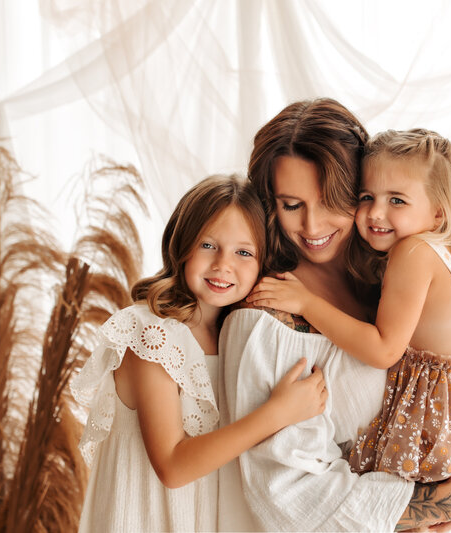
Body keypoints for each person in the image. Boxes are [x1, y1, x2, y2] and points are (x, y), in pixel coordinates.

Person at [218, 99, 451, 532]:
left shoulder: (391, 279)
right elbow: (288, 495)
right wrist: (445, 501)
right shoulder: (269, 318)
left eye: (332, 200)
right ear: (269, 206)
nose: (313, 226)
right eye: (292, 204)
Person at [71, 175, 328, 533]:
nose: (223, 264)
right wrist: (278, 412)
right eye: (208, 245)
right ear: (182, 245)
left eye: (243, 252)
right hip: (145, 519)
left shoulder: (236, 338)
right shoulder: (152, 332)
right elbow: (172, 467)